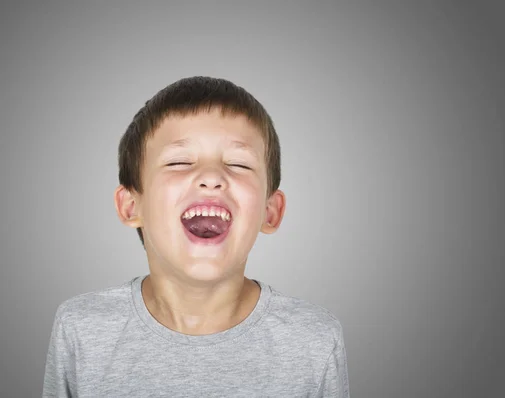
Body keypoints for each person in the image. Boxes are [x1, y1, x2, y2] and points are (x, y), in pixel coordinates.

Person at [43, 76, 350, 397]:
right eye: (179, 161)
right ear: (131, 206)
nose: (211, 177)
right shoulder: (81, 328)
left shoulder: (314, 339)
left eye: (238, 163)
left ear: (270, 211)